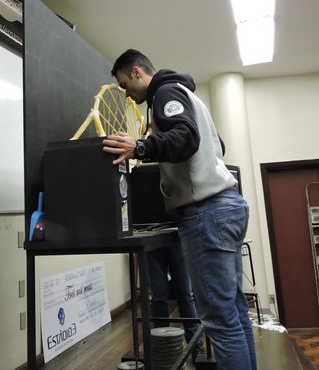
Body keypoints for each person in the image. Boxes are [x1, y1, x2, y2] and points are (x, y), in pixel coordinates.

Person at [103, 49, 256, 370]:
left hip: (206, 211)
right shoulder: (187, 95)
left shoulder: (165, 93)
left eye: (125, 85)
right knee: (234, 313)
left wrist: (141, 146)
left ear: (136, 72)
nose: (127, 94)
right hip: (227, 205)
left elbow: (186, 138)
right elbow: (217, 145)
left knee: (220, 321)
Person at [146, 240, 203, 351]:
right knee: (159, 296)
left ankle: (196, 343)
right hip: (154, 240)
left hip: (177, 239)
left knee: (185, 294)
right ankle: (162, 342)